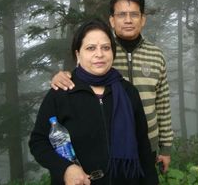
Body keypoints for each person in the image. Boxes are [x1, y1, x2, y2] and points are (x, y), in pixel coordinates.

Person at [51, 0, 174, 173]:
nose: (128, 20)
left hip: (147, 143)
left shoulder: (156, 55)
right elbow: (77, 75)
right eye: (121, 14)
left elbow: (163, 104)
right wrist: (60, 76)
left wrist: (166, 147)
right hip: (109, 144)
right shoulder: (102, 52)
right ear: (111, 20)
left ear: (143, 19)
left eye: (134, 14)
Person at [29, 18, 158, 185]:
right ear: (78, 54)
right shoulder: (61, 93)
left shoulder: (128, 92)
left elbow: (143, 148)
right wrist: (65, 168)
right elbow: (38, 142)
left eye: (105, 47)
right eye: (91, 48)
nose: (99, 54)